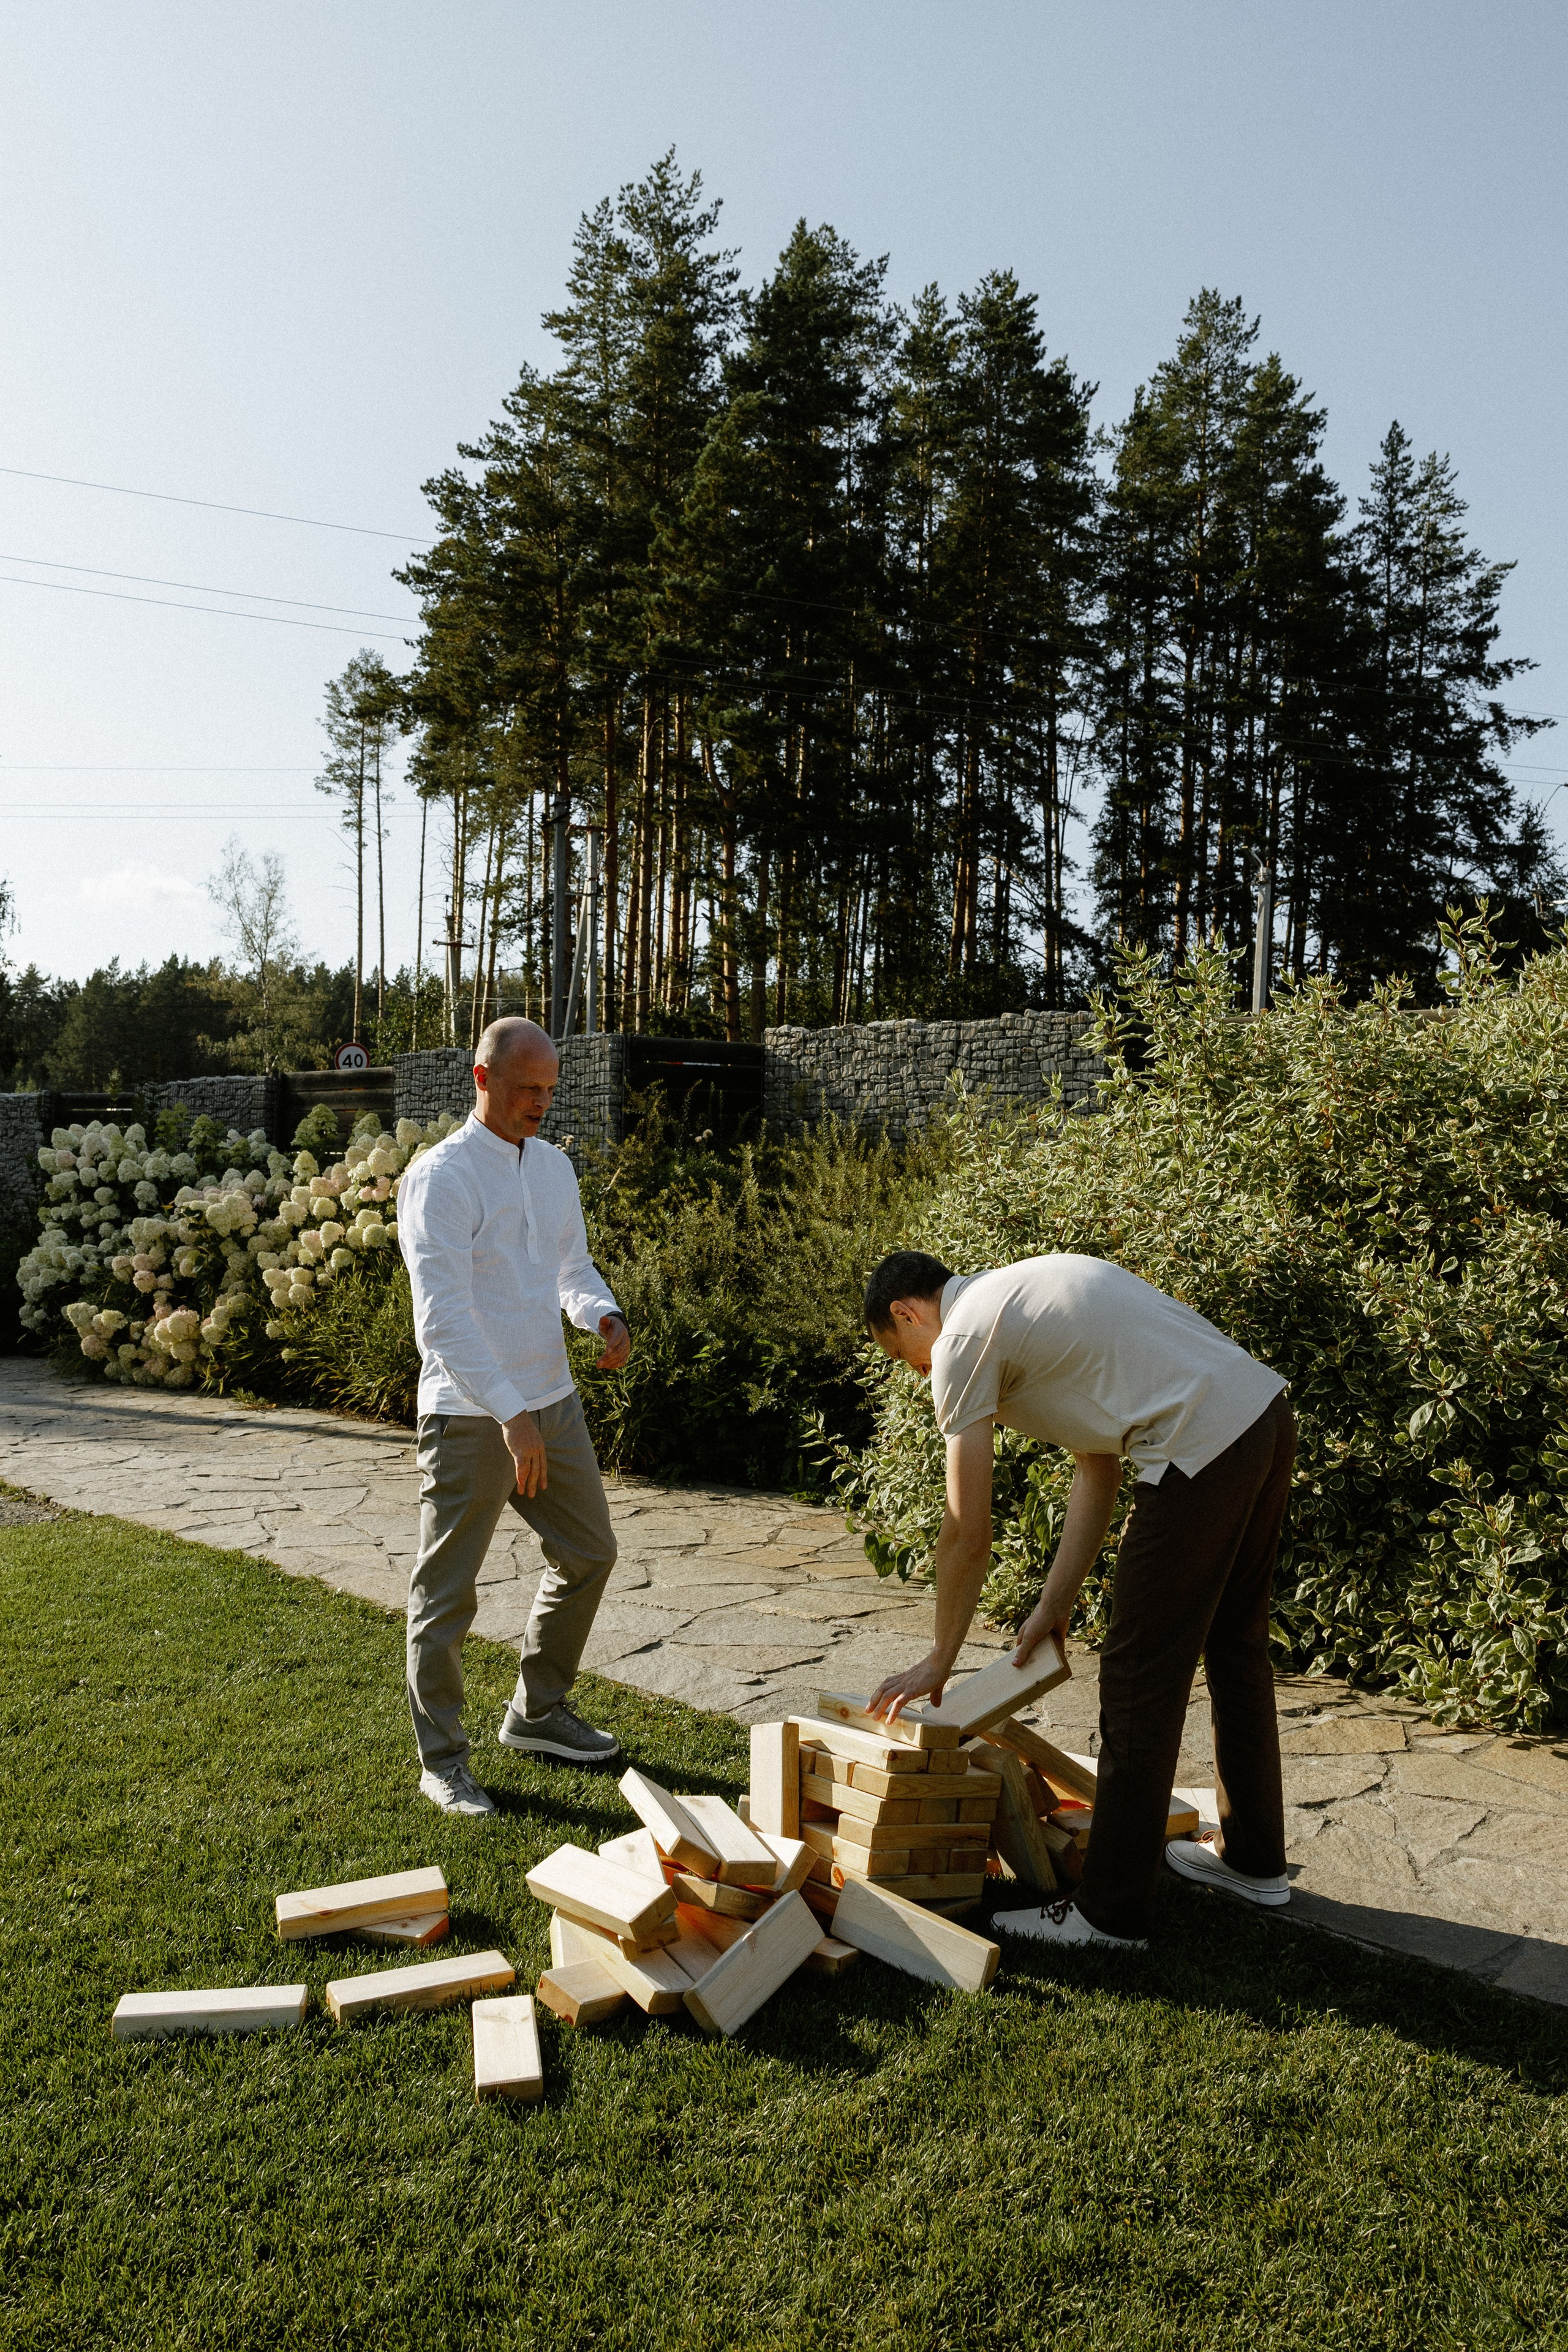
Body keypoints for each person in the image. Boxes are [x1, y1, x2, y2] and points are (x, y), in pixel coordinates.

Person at [863, 1249, 1296, 1948]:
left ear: (906, 1314)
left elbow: (965, 1532)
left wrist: (938, 1659)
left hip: (1201, 1446)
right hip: (1263, 1422)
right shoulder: (1020, 1294)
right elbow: (1096, 1466)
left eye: (908, 1359)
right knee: (1234, 1645)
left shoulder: (963, 1336)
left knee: (1136, 1674)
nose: (921, 1376)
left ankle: (1109, 1913)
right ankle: (1252, 1862)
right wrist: (1054, 1603)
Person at [394, 1016, 632, 1817]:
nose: (541, 1102)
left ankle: (537, 1713)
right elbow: (444, 1320)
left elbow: (571, 1267)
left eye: (550, 1089)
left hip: (550, 1399)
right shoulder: (443, 1177)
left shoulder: (553, 1168)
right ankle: (444, 1762)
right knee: (448, 1593)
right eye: (527, 1088)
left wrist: (600, 1314)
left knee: (590, 1552)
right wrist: (509, 1415)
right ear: (482, 1078)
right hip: (470, 1413)